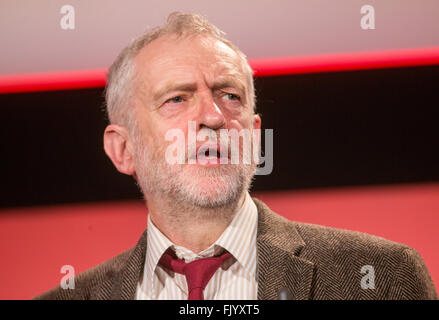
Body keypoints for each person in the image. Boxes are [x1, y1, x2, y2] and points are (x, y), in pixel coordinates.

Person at [36, 12, 437, 300]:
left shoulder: (382, 279)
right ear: (123, 150)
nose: (213, 117)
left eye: (230, 96)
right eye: (177, 99)